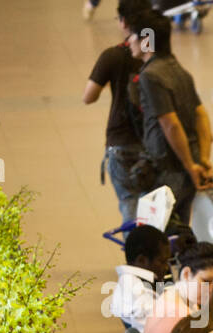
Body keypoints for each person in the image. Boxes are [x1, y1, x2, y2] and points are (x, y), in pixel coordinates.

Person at [126, 8, 213, 225]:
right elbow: (201, 117)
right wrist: (201, 160)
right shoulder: (180, 71)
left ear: (146, 40)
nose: (129, 41)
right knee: (180, 233)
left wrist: (188, 165)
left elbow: (170, 124)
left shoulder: (151, 76)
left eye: (133, 36)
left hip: (168, 171)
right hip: (187, 170)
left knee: (157, 237)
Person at [83, 1, 151, 223]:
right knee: (152, 206)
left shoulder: (112, 56)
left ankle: (134, 253)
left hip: (121, 140)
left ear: (123, 22)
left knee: (129, 204)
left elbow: (88, 97)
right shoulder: (155, 56)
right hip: (151, 140)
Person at [142, 240, 213, 333]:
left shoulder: (169, 294)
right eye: (206, 281)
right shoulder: (183, 317)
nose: (212, 290)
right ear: (186, 274)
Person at [110, 224, 170, 333]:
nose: (166, 267)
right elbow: (162, 330)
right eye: (162, 261)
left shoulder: (129, 280)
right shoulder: (140, 295)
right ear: (141, 260)